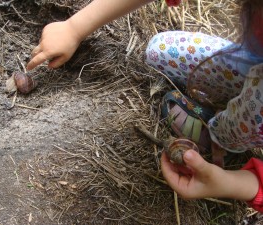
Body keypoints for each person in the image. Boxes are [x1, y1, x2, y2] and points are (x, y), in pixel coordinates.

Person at [26, 0, 263, 212]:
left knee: (257, 102)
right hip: (255, 59)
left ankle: (222, 138)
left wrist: (235, 184)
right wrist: (74, 27)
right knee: (159, 50)